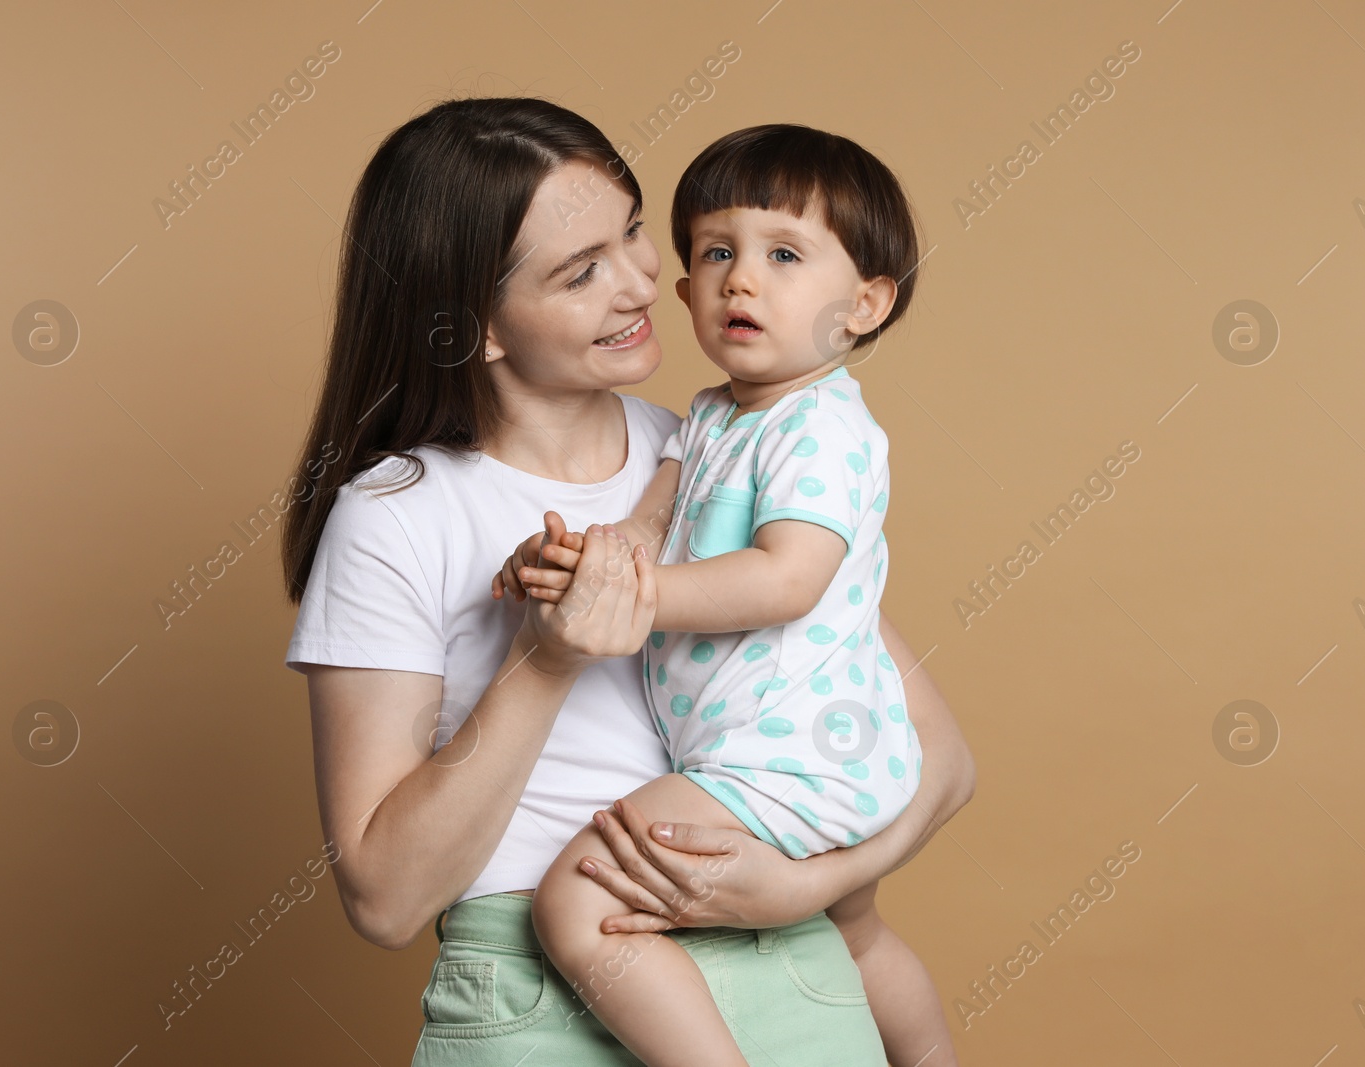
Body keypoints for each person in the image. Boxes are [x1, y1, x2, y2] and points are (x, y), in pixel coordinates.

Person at [279, 96, 975, 1066]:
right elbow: (386, 900)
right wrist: (547, 655)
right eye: (581, 270)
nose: (646, 281)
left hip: (792, 971)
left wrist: (802, 889)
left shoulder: (717, 442)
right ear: (475, 326)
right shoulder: (398, 513)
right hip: (542, 993)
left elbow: (941, 761)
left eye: (636, 233)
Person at [495, 124, 955, 1067]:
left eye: (784, 255)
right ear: (687, 289)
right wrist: (574, 562)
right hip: (783, 745)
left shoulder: (821, 428)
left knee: (575, 899)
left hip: (787, 757)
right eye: (717, 252)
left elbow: (790, 578)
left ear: (865, 305)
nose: (741, 279)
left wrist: (640, 600)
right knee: (857, 933)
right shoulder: (713, 413)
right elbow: (646, 527)